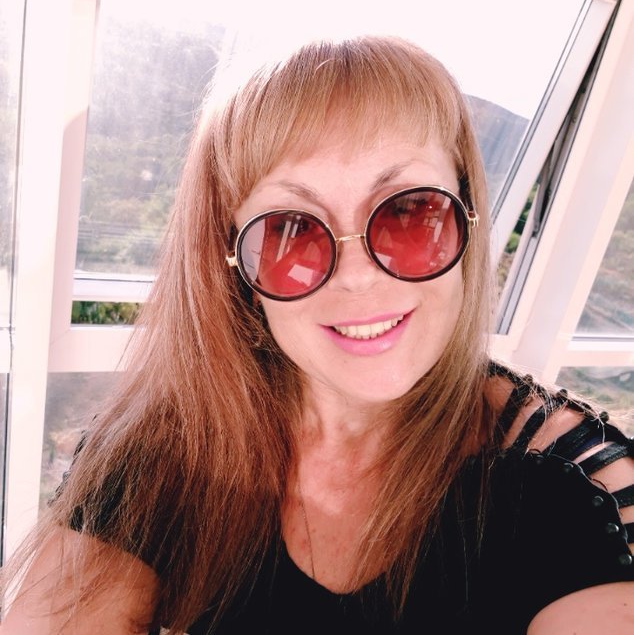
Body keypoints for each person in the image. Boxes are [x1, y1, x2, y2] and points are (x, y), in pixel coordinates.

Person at [1, 36, 633, 635]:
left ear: (467, 216)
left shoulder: (577, 482)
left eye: (410, 211)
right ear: (233, 264)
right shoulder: (173, 445)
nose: (357, 277)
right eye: (292, 229)